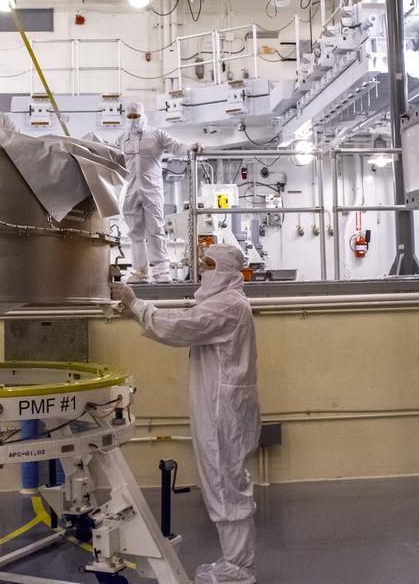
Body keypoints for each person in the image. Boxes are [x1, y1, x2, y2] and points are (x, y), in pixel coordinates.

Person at [112, 243, 259, 584]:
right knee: (223, 482)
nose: (204, 270)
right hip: (219, 406)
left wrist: (136, 303)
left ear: (226, 270)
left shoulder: (228, 305)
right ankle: (235, 561)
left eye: (210, 265)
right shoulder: (223, 302)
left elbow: (181, 327)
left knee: (226, 485)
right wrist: (136, 311)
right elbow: (189, 318)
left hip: (224, 411)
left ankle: (240, 569)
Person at [115, 100, 196, 282]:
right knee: (135, 232)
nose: (133, 120)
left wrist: (190, 147)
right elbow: (112, 159)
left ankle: (161, 271)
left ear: (143, 115)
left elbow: (177, 147)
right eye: (130, 117)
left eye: (136, 116)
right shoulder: (121, 140)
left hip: (152, 189)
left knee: (156, 229)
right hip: (129, 190)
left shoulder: (156, 135)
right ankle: (140, 271)